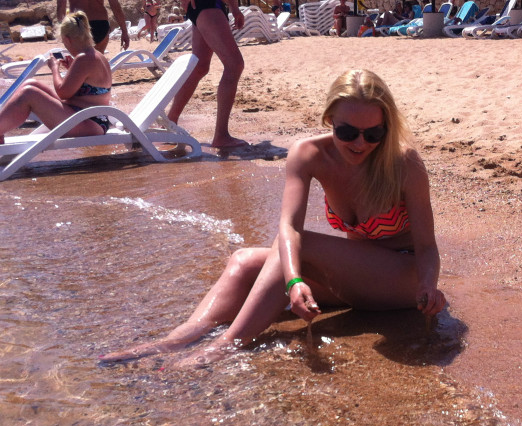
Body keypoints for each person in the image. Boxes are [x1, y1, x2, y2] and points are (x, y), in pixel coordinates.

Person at [101, 69, 447, 368]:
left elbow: (427, 247)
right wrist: (295, 282)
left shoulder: (404, 163)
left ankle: (225, 346)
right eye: (348, 133)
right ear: (330, 120)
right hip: (356, 281)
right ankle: (180, 337)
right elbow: (289, 226)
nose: (360, 143)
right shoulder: (309, 154)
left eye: (373, 134)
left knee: (301, 246)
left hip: (404, 282)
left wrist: (428, 286)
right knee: (244, 260)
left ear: (386, 128)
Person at [0, 11, 112, 145]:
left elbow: (62, 93)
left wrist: (54, 69)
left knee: (29, 93)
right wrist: (72, 70)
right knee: (31, 84)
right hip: (89, 118)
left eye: (64, 42)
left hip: (89, 122)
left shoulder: (83, 58)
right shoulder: (96, 55)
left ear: (68, 39)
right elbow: (84, 89)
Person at [167, 0, 247, 149]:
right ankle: (221, 136)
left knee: (200, 67)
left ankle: (170, 122)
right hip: (209, 5)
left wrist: (233, 7)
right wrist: (234, 8)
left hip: (204, 6)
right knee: (234, 65)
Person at [56, 0, 130, 52]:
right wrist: (124, 31)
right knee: (98, 62)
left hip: (78, 24)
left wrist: (62, 31)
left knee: (80, 62)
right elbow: (115, 6)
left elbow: (61, 5)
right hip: (100, 24)